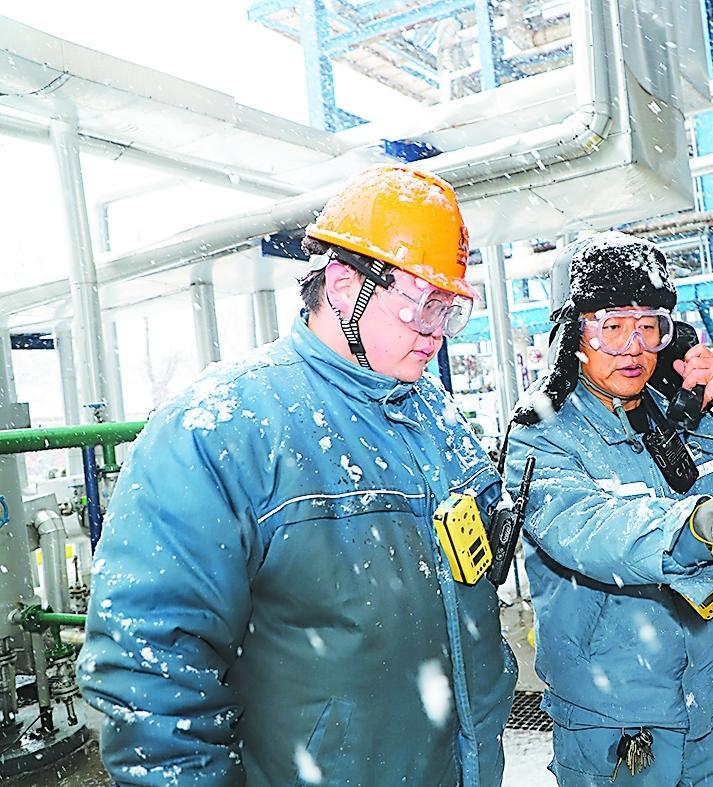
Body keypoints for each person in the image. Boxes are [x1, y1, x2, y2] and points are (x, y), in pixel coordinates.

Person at [76, 164, 516, 786]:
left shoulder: (432, 412)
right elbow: (150, 667)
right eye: (422, 306)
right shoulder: (221, 429)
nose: (435, 334)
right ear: (343, 285)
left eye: (449, 311)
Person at [504, 231, 713, 786]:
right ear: (573, 335)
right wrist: (697, 524)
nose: (633, 347)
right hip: (615, 722)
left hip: (705, 702)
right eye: (612, 327)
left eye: (649, 326)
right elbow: (592, 530)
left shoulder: (673, 415)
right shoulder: (540, 435)